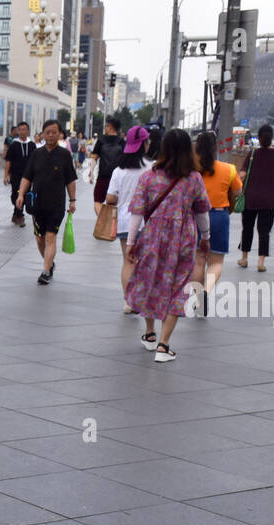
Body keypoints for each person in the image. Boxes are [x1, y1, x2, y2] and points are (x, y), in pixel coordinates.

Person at [124, 128, 211, 362]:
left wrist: (131, 242)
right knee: (177, 287)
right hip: (183, 239)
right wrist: (206, 237)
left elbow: (137, 213)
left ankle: (149, 333)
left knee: (149, 281)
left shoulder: (149, 176)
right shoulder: (194, 178)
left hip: (152, 237)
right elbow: (202, 212)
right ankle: (164, 345)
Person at [16, 118, 78, 285]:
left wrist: (72, 200)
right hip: (37, 205)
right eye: (47, 132)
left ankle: (45, 270)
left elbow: (70, 180)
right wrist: (21, 194)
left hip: (56, 205)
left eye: (54, 132)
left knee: (51, 237)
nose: (50, 135)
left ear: (59, 134)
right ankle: (49, 263)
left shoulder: (65, 155)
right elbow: (27, 177)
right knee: (40, 239)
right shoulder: (36, 154)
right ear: (42, 134)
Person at [103, 125, 154, 309]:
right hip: (148, 222)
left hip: (125, 222)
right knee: (146, 262)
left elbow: (109, 198)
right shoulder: (152, 168)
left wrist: (124, 197)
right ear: (144, 145)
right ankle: (143, 297)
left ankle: (128, 301)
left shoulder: (119, 171)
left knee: (128, 261)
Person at [194, 130, 242, 307]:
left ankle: (199, 299)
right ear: (215, 148)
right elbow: (238, 192)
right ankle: (207, 290)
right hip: (219, 215)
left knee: (198, 260)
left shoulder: (193, 170)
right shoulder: (229, 169)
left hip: (197, 216)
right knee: (216, 261)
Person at [237, 123, 274, 272]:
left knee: (247, 228)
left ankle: (244, 258)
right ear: (272, 138)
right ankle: (261, 262)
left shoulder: (252, 154)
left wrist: (237, 186)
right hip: (271, 199)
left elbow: (243, 174)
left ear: (259, 138)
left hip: (251, 198)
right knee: (264, 230)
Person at [3, 122, 35, 228]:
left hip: (28, 176)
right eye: (20, 129)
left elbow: (36, 161)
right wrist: (6, 175)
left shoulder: (32, 145)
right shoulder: (13, 145)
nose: (22, 131)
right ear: (18, 131)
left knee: (25, 195)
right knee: (16, 195)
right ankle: (18, 214)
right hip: (16, 176)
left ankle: (18, 215)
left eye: (24, 129)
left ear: (28, 131)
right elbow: (8, 161)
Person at [91, 116, 123, 214]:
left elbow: (94, 158)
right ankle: (112, 223)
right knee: (115, 203)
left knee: (98, 201)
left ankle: (103, 220)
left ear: (109, 127)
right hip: (118, 178)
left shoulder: (101, 141)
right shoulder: (122, 141)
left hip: (103, 176)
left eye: (106, 126)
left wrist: (91, 172)